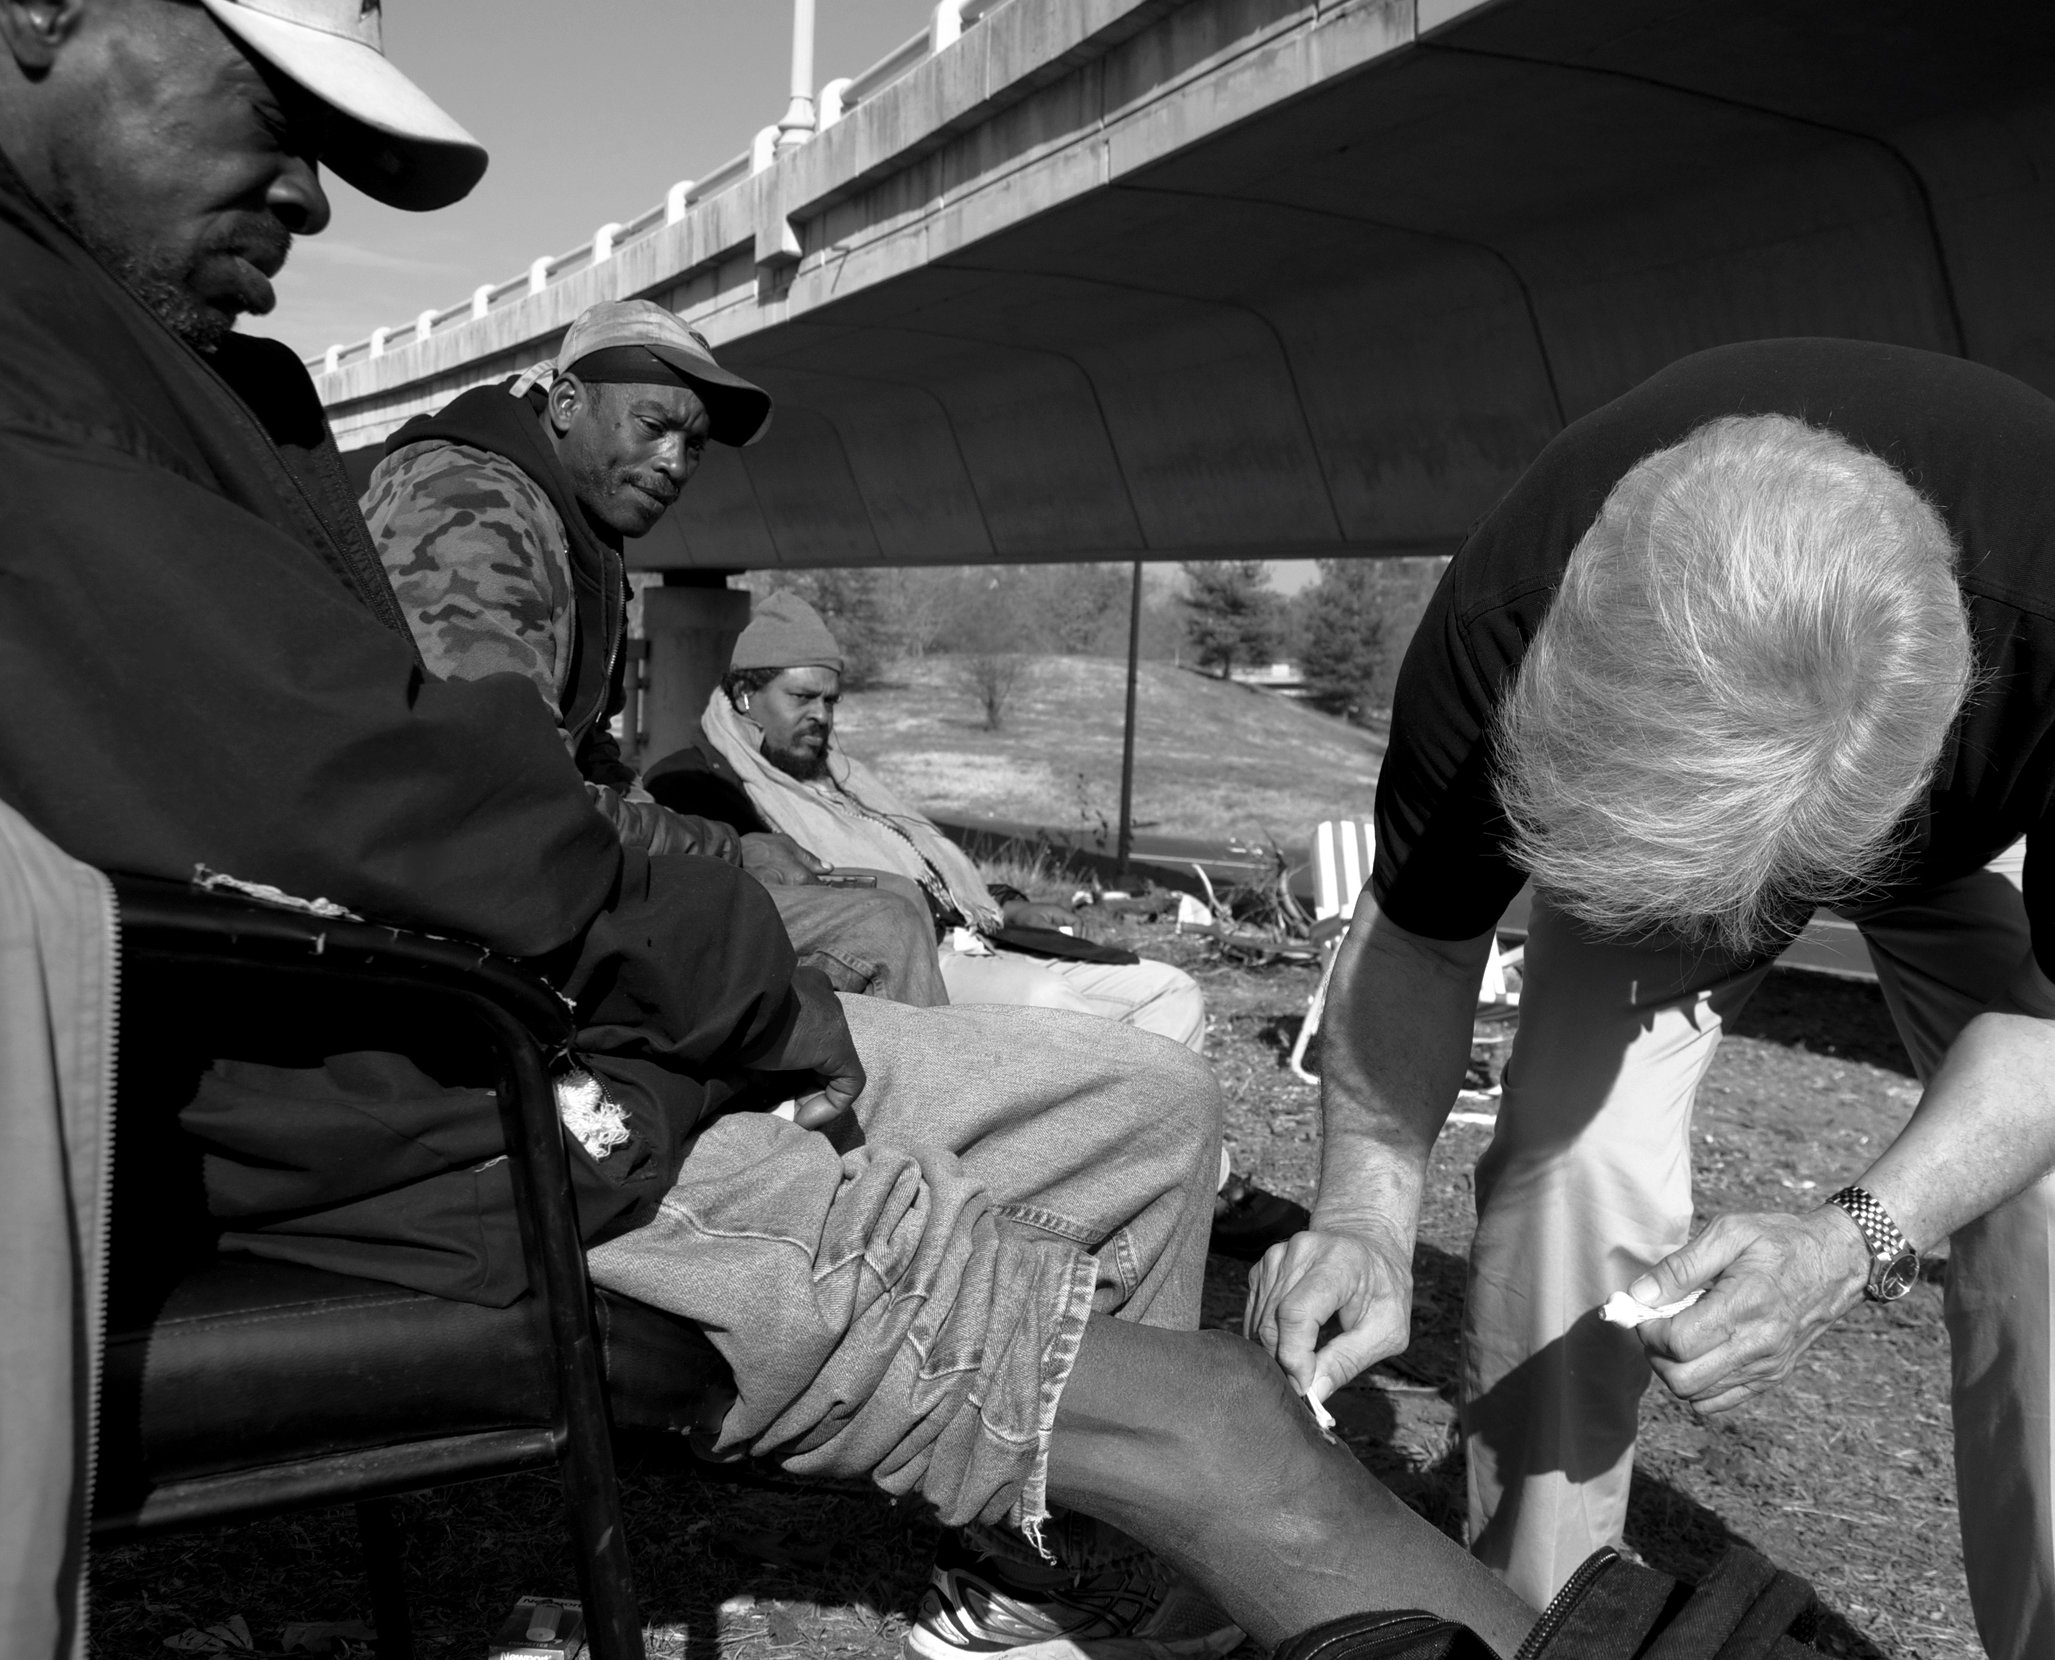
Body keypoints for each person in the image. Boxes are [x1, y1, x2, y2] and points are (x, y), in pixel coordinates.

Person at [0, 2, 1551, 1652]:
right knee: (1213, 1407)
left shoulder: (168, 374)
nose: (309, 198)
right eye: (271, 105)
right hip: (459, 1115)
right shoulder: (426, 490)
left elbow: (402, 798)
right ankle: (1058, 1494)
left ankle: (1058, 1532)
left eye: (696, 432)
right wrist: (732, 959)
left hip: (500, 1068)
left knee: (1145, 1107)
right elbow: (409, 798)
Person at [1250, 340, 2055, 1660]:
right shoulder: (1508, 620)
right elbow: (1420, 941)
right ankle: (1537, 1620)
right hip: (1645, 832)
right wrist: (1364, 1212)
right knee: (1571, 1160)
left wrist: (1852, 1238)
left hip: (1949, 826)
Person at [363, 297, 943, 1007]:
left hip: (540, 875)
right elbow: (516, 798)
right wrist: (726, 852)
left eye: (693, 444)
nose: (675, 463)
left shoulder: (574, 529)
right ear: (569, 402)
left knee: (892, 894)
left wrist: (714, 843)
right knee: (879, 929)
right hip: (457, 913)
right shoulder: (468, 505)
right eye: (654, 426)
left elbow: (587, 756)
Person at [646, 594, 1210, 1051]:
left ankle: (1157, 1170)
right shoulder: (700, 784)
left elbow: (922, 864)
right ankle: (1115, 1160)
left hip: (981, 940)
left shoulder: (840, 775)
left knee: (1170, 991)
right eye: (802, 697)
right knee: (1046, 1004)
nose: (821, 715)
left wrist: (1010, 904)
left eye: (832, 700)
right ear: (746, 694)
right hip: (902, 964)